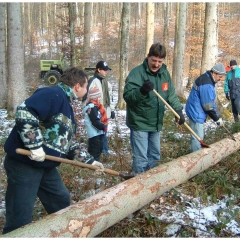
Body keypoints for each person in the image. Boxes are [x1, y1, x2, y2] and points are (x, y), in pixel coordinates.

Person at [2, 67, 104, 234]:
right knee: (20, 217)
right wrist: (34, 145)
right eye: (86, 87)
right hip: (24, 165)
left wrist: (90, 161)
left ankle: (63, 234)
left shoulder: (66, 106)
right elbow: (24, 111)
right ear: (77, 86)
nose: (86, 91)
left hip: (46, 167)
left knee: (60, 201)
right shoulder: (53, 94)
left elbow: (68, 144)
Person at [123, 42, 185, 175]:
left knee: (155, 156)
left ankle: (152, 184)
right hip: (139, 123)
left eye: (160, 62)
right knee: (141, 159)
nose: (156, 65)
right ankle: (138, 187)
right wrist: (142, 91)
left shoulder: (164, 74)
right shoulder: (136, 73)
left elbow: (170, 94)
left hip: (155, 123)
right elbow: (128, 97)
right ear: (148, 57)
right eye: (154, 60)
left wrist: (178, 110)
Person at [186, 63, 226, 152]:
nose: (220, 79)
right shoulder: (207, 84)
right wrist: (217, 119)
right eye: (219, 76)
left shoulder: (207, 79)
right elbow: (208, 106)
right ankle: (195, 160)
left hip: (196, 110)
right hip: (196, 112)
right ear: (214, 73)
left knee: (197, 137)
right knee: (197, 138)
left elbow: (209, 101)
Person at [83, 61, 115, 156]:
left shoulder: (107, 83)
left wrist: (111, 110)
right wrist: (87, 110)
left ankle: (103, 151)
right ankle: (96, 153)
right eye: (104, 70)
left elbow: (110, 97)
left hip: (105, 112)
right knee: (95, 134)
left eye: (107, 70)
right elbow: (85, 97)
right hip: (95, 112)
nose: (106, 72)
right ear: (98, 70)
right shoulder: (92, 81)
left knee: (104, 132)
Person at [83, 86, 108, 162]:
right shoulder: (92, 108)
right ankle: (93, 165)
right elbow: (95, 121)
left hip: (97, 133)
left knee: (98, 149)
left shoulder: (96, 107)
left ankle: (95, 163)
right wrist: (103, 127)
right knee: (95, 151)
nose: (100, 98)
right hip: (94, 134)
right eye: (99, 97)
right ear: (95, 97)